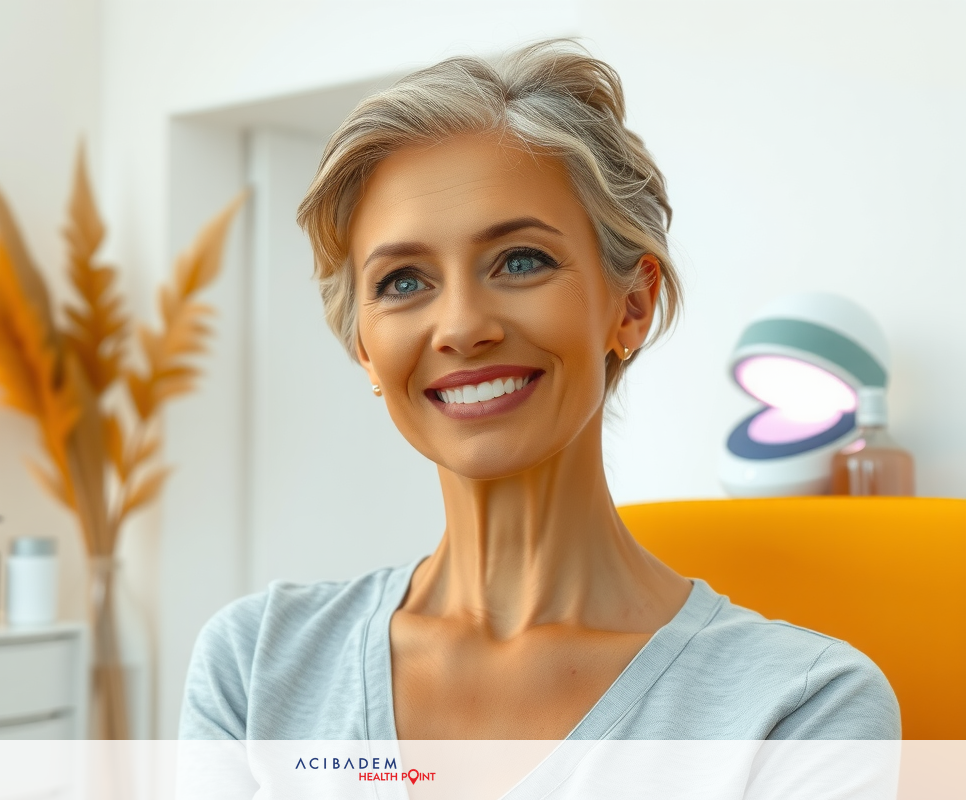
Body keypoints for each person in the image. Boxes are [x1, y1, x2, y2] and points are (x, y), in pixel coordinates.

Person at [179, 40, 900, 744]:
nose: (460, 326)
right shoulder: (254, 668)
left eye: (520, 261)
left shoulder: (802, 708)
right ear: (364, 346)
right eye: (403, 282)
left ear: (632, 305)